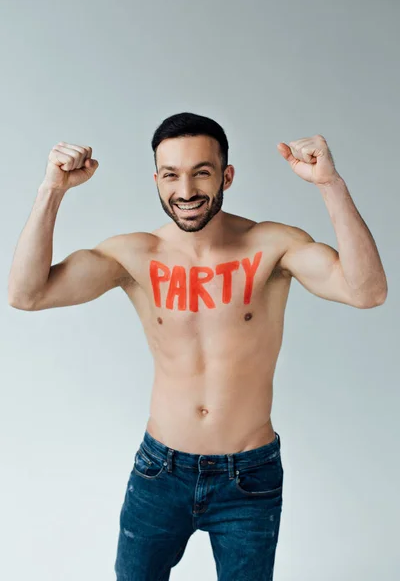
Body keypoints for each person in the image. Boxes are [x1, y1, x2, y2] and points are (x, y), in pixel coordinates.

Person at [8, 112, 387, 580]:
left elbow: (366, 291)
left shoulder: (271, 246)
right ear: (157, 180)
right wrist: (52, 190)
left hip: (249, 475)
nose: (185, 190)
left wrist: (330, 184)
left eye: (201, 172)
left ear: (226, 175)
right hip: (159, 473)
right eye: (171, 175)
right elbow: (27, 294)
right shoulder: (135, 255)